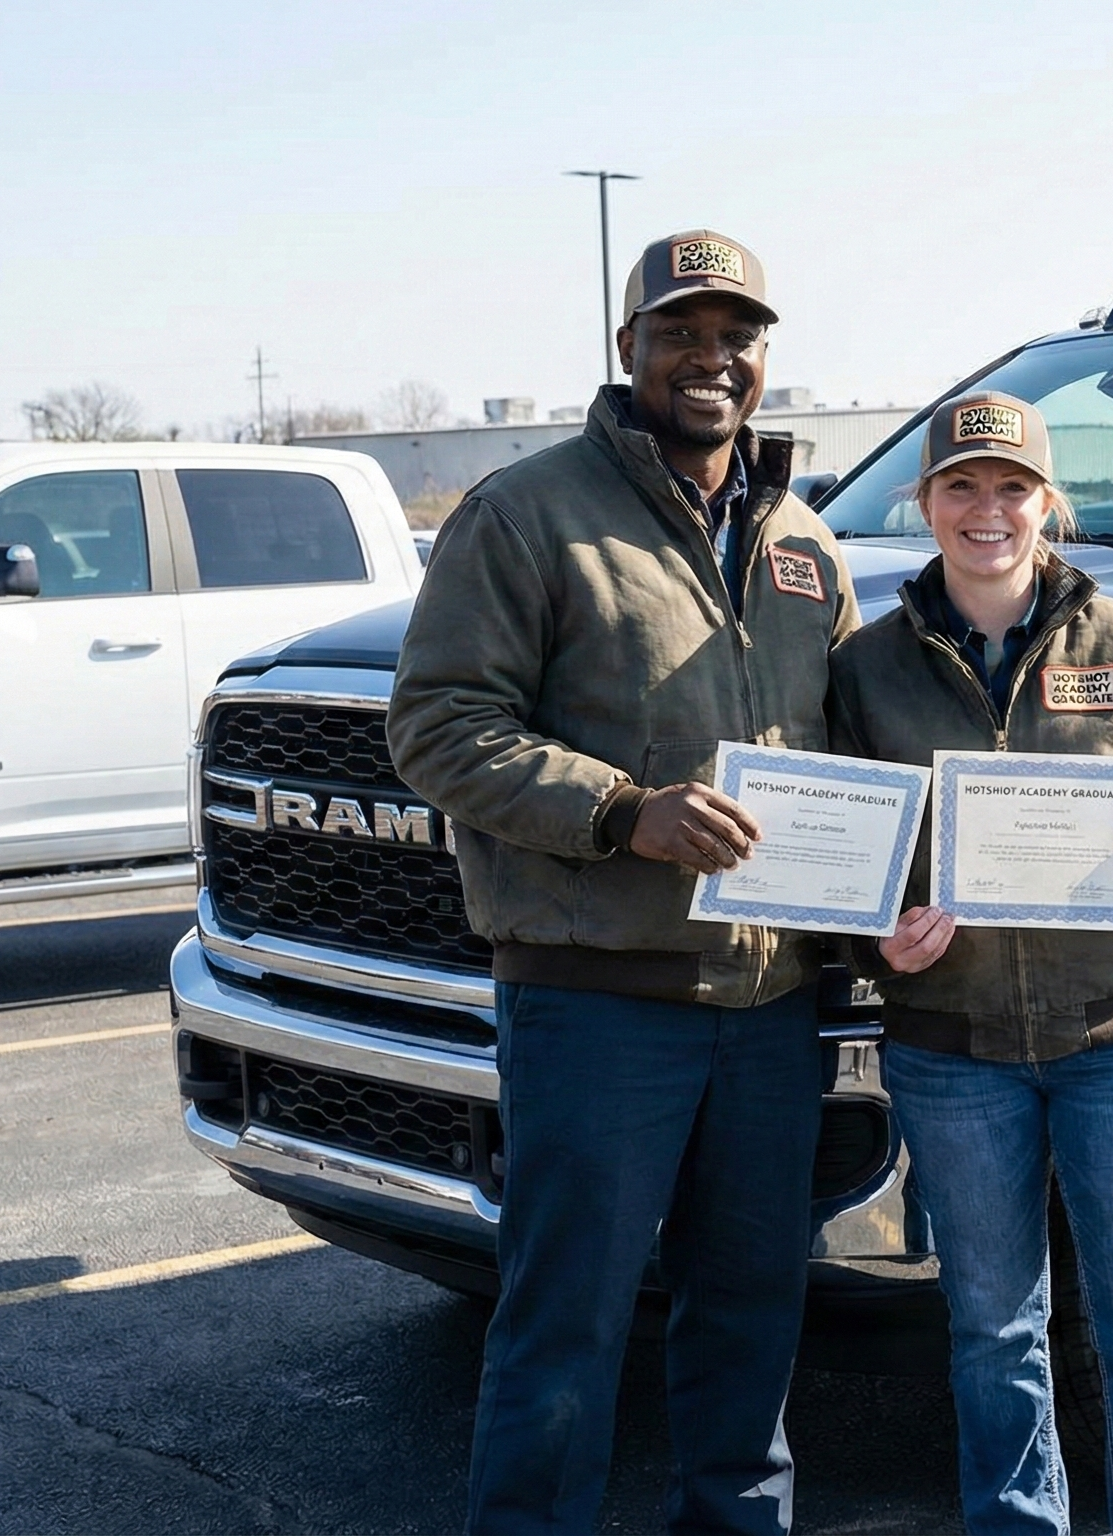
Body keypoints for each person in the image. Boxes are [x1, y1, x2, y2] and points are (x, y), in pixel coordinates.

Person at [386, 229, 861, 1536]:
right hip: (599, 1006)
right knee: (567, 1327)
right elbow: (436, 726)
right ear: (628, 350)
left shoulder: (805, 544)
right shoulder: (526, 515)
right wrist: (619, 812)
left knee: (753, 1318)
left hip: (771, 1010)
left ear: (764, 359)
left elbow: (859, 755)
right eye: (682, 333)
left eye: (738, 337)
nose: (713, 359)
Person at [828, 392, 1113, 1536]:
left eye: (1010, 487)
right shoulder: (865, 666)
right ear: (925, 504)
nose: (986, 510)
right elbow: (846, 846)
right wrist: (876, 933)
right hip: (950, 1051)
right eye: (960, 487)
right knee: (990, 1331)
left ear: (1046, 503)